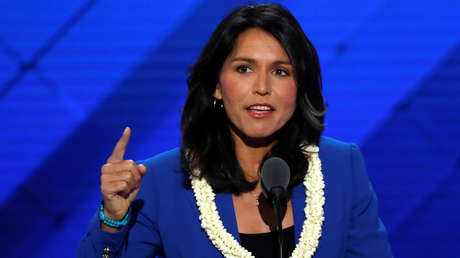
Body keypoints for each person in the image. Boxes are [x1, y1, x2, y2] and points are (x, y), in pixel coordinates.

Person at [78, 3, 393, 258]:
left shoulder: (341, 168)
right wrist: (113, 219)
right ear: (217, 85)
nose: (262, 87)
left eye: (281, 71)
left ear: (298, 88)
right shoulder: (161, 182)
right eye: (244, 69)